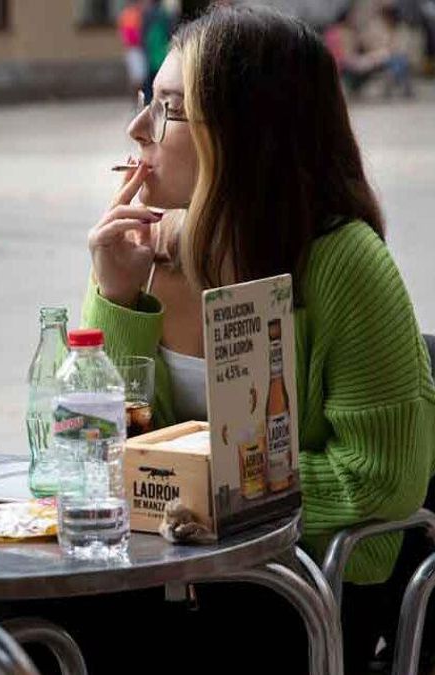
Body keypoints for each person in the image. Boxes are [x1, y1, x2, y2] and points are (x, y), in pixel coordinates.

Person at [78, 5, 435, 672]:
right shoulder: (142, 250)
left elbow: (384, 478)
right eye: (146, 101)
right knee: (9, 622)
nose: (137, 128)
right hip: (161, 573)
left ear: (244, 134)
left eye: (168, 109)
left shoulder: (343, 261)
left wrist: (217, 491)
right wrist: (115, 296)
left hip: (301, 589)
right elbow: (97, 447)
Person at [141, 0, 173, 104]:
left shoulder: (147, 14)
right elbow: (170, 32)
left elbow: (144, 34)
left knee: (150, 76)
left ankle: (149, 99)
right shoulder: (164, 14)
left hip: (153, 49)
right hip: (161, 48)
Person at [117, 0, 148, 104]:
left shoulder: (128, 14)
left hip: (134, 48)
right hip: (135, 48)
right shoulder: (132, 14)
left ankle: (138, 99)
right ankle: (138, 99)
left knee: (138, 77)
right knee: (138, 77)